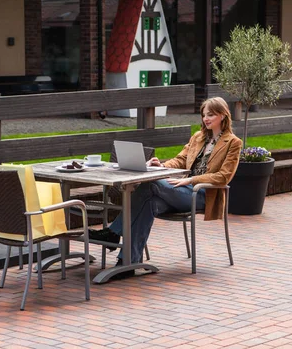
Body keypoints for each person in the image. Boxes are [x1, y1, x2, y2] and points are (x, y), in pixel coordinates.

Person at [89, 97, 243, 277]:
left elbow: (224, 176)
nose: (206, 119)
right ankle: (128, 262)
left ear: (223, 115)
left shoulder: (233, 143)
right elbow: (180, 159)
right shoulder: (198, 137)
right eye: (204, 115)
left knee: (152, 183)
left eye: (210, 115)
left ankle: (113, 233)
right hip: (181, 191)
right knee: (149, 202)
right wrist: (161, 165)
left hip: (200, 194)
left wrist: (191, 180)